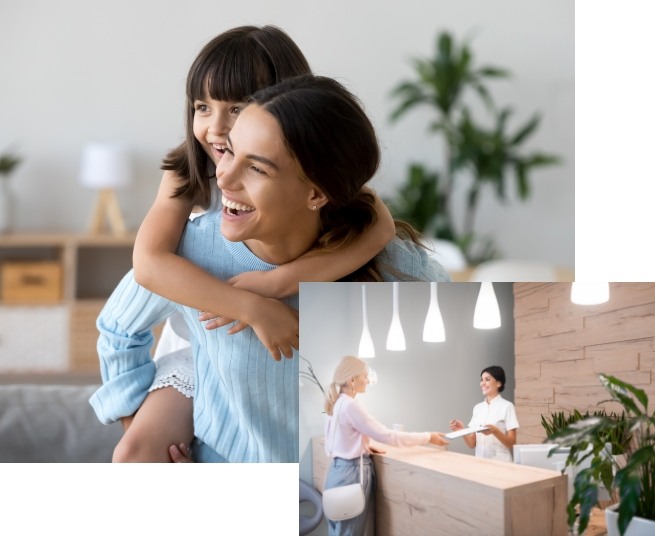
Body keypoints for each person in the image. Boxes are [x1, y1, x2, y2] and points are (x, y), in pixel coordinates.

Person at [90, 73, 450, 464]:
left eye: (256, 169)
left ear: (316, 193)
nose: (223, 177)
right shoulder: (189, 253)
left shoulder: (387, 259)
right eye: (228, 152)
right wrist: (135, 424)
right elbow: (117, 331)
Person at [323, 355, 449, 535]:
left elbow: (332, 443)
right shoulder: (350, 406)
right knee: (350, 532)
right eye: (365, 376)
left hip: (337, 473)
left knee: (338, 531)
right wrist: (428, 437)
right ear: (352, 379)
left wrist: (363, 445)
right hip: (351, 474)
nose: (367, 381)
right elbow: (388, 436)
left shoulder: (336, 403)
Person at [448, 365, 519, 461]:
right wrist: (461, 430)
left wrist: (495, 431)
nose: (482, 383)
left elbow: (511, 443)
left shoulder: (507, 406)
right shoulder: (478, 408)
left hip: (501, 463)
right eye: (482, 380)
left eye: (487, 379)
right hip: (480, 463)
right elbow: (472, 444)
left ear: (498, 383)